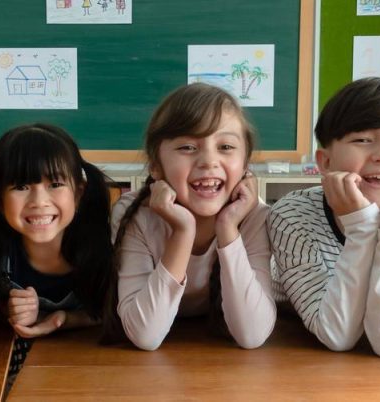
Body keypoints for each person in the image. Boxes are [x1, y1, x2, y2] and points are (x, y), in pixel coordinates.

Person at [268, 77, 380, 356]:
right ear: (325, 162)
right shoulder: (294, 216)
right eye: (362, 140)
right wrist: (363, 227)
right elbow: (336, 335)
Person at [105, 83, 277, 350]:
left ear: (245, 164)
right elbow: (145, 335)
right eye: (186, 147)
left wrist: (228, 227)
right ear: (155, 166)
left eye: (226, 146)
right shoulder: (134, 214)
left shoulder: (254, 216)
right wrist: (183, 231)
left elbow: (252, 335)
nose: (208, 161)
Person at [0, 123, 115, 383]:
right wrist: (9, 310)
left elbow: (119, 309)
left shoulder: (107, 246)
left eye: (55, 183)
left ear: (78, 193)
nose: (39, 201)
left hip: (93, 368)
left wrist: (63, 319)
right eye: (21, 187)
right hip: (13, 371)